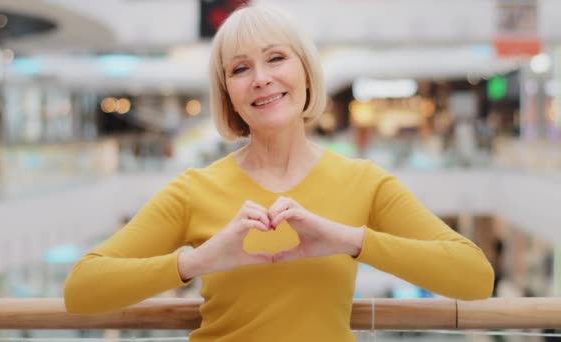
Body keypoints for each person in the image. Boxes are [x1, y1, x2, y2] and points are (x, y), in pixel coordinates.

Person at [64, 5, 494, 341]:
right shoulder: (193, 191)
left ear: (305, 71)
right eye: (239, 68)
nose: (262, 79)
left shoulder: (365, 183)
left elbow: (474, 277)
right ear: (228, 94)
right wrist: (197, 261)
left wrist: (348, 239)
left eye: (275, 58)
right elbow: (82, 290)